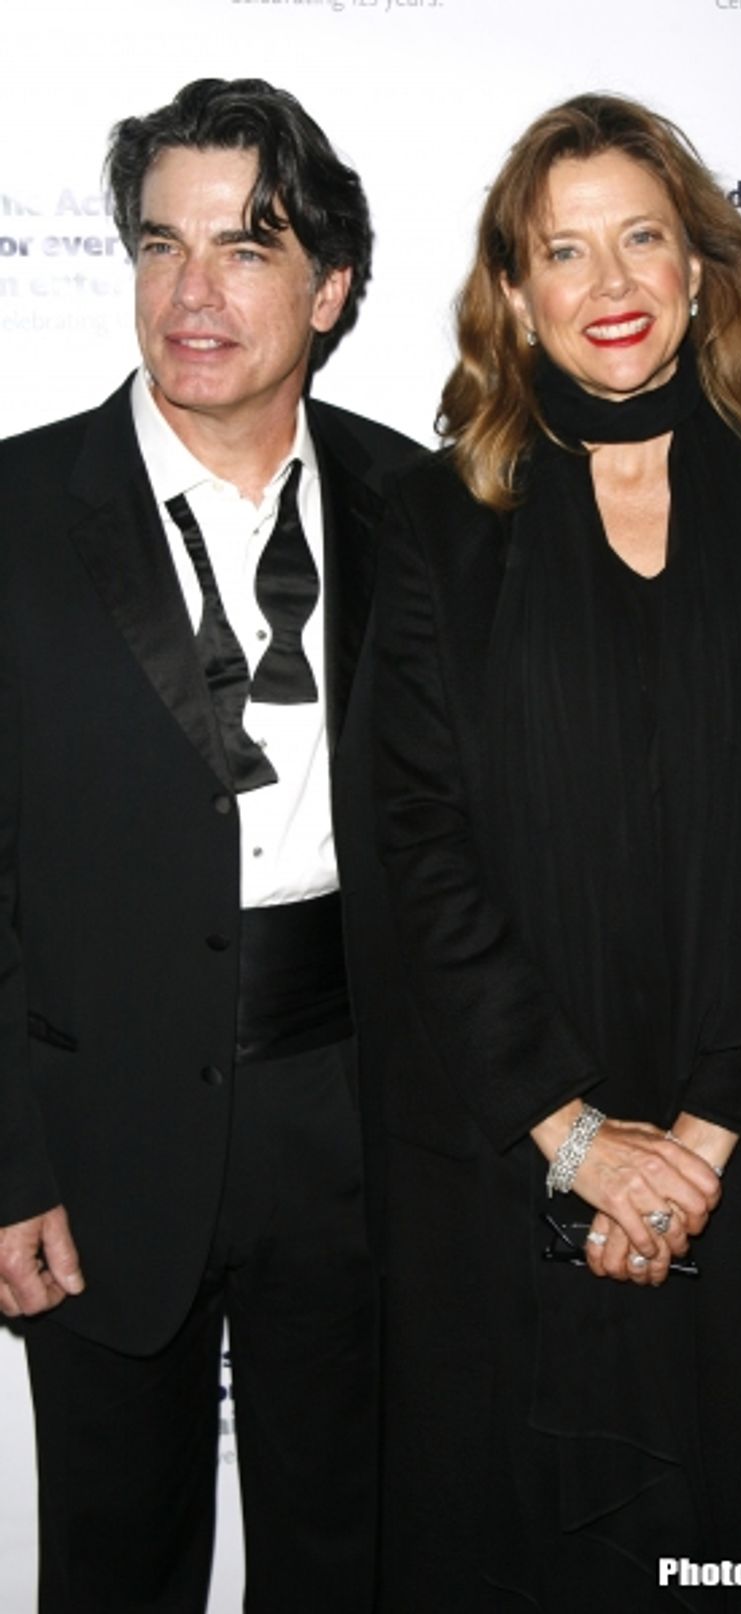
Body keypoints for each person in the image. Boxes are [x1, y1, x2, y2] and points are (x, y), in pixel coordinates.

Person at [370, 92, 741, 1611]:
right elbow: (418, 846)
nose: (609, 283)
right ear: (513, 292)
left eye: (642, 238)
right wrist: (581, 1141)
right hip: (519, 1156)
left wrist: (701, 1144)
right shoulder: (433, 521)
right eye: (564, 249)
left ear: (701, 269)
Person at [0, 78, 423, 1612]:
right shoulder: (15, 511)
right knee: (113, 1566)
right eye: (162, 245)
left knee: (348, 1557)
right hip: (94, 1131)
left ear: (332, 287)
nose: (193, 292)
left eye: (246, 248)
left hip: (359, 1127)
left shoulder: (420, 505)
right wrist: (7, 1157)